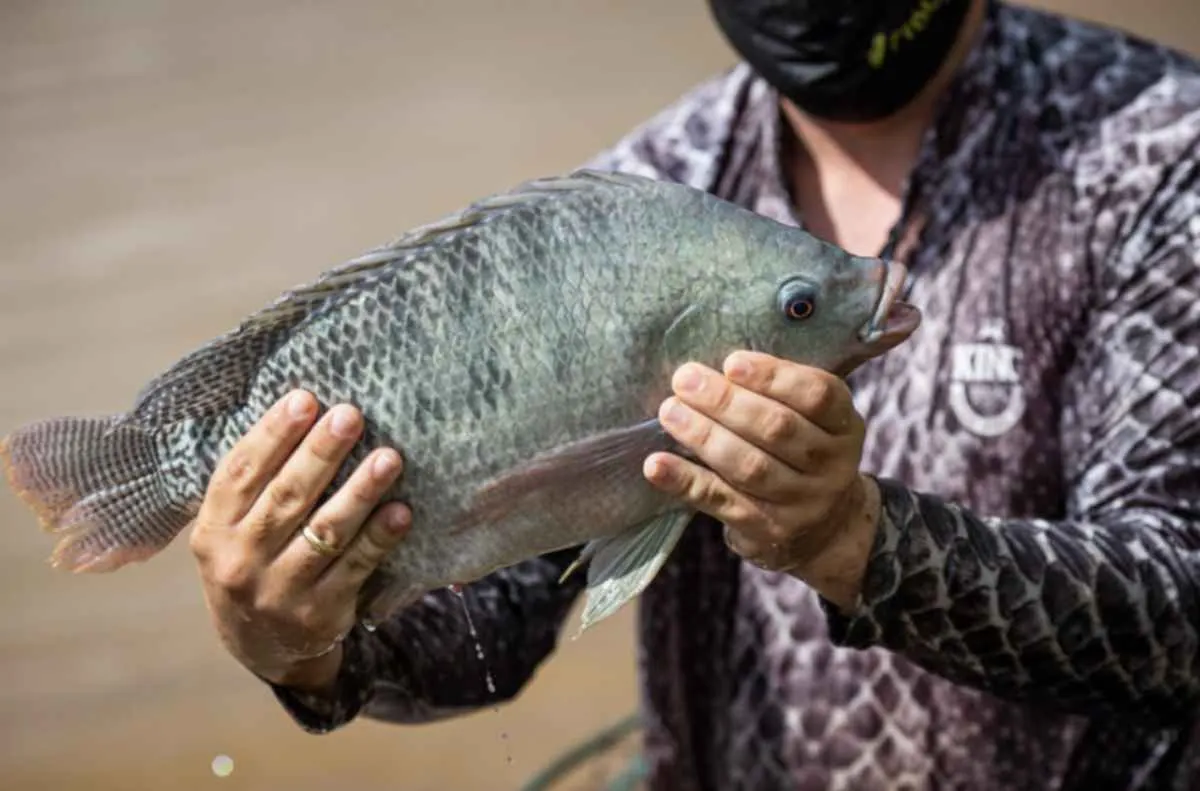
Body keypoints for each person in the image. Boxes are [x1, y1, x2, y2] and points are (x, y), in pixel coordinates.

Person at [186, 0, 1200, 788]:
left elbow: (1180, 613)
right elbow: (491, 618)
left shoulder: (1161, 156)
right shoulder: (649, 188)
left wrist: (863, 543)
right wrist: (306, 642)